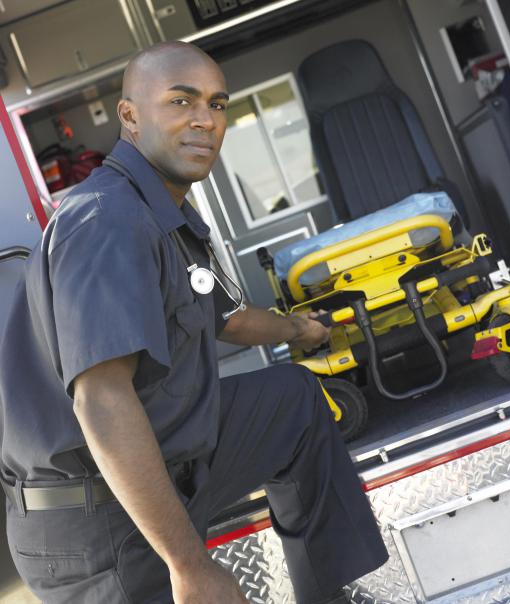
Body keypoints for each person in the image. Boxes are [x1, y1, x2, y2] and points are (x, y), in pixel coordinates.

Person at [0, 42, 388, 604]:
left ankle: (327, 592)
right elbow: (102, 401)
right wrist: (190, 564)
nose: (206, 119)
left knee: (294, 399)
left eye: (218, 104)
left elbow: (224, 317)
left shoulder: (164, 213)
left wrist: (298, 330)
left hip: (165, 452)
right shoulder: (107, 220)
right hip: (96, 516)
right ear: (129, 116)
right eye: (181, 101)